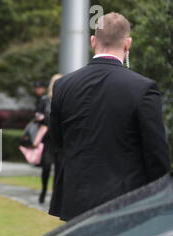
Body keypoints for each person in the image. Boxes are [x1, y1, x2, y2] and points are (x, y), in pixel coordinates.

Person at [49, 12, 171, 222]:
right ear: (128, 43)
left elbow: (58, 142)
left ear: (93, 41)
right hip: (126, 201)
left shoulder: (63, 86)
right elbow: (156, 153)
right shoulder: (142, 88)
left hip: (76, 199)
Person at [34, 74, 63, 204]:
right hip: (48, 139)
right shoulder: (45, 100)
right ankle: (44, 191)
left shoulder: (66, 99)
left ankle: (55, 196)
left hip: (61, 141)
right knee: (46, 167)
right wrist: (41, 118)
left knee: (59, 169)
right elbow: (37, 117)